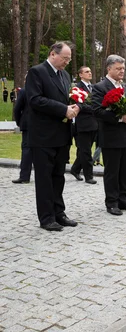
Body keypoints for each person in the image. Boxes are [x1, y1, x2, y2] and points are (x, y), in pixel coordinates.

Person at [26, 41, 80, 231]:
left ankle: (59, 213)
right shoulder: (37, 72)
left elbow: (65, 99)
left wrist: (74, 106)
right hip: (43, 136)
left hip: (61, 135)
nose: (67, 62)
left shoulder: (65, 75)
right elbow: (35, 100)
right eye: (64, 58)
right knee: (44, 178)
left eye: (69, 59)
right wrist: (63, 109)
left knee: (58, 177)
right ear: (52, 54)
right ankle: (47, 217)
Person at [92, 54, 126, 215]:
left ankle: (123, 199)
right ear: (109, 68)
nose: (121, 71)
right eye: (118, 68)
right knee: (112, 171)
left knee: (125, 170)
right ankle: (111, 202)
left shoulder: (125, 87)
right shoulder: (100, 87)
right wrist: (119, 118)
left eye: (123, 68)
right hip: (111, 136)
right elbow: (97, 111)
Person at [70, 66, 98, 184]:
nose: (90, 73)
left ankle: (75, 169)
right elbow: (78, 105)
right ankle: (88, 176)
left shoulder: (94, 87)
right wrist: (93, 108)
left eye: (90, 71)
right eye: (87, 72)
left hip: (94, 123)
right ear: (80, 75)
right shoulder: (77, 88)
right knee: (85, 151)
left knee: (84, 150)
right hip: (83, 124)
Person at [12, 83, 32, 184]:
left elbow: (17, 109)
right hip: (40, 125)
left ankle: (24, 176)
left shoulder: (24, 91)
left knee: (27, 150)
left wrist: (19, 122)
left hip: (28, 124)